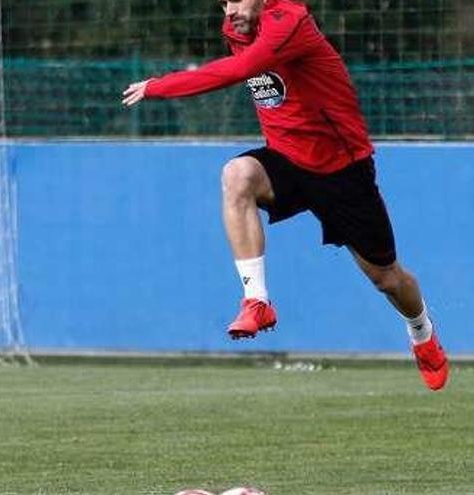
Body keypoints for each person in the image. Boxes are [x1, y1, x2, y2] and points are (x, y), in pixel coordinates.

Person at [122, 0, 448, 390]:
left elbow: (240, 70)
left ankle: (421, 332)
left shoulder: (289, 20)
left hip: (341, 168)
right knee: (237, 174)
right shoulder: (238, 28)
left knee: (387, 278)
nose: (229, 11)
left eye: (237, 0)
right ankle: (256, 300)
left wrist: (159, 86)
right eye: (223, 2)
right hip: (287, 162)